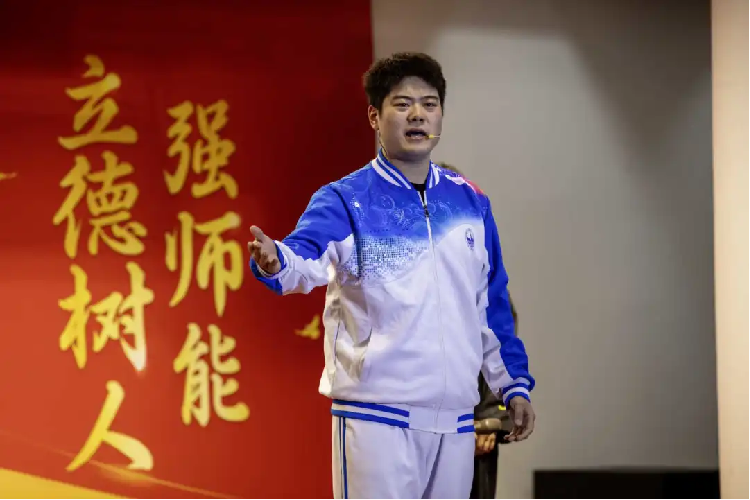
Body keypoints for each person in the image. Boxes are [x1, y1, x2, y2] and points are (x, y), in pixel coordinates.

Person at [248, 52, 536, 499]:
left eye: (429, 104)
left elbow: (491, 304)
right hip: (376, 418)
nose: (417, 114)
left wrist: (512, 385)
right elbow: (303, 258)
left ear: (440, 115)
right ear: (374, 117)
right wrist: (276, 261)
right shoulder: (346, 199)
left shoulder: (470, 203)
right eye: (402, 104)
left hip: (455, 423)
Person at [436, 162, 522, 499]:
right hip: (409, 421)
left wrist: (488, 415)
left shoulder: (477, 266)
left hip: (469, 423)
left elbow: (498, 338)